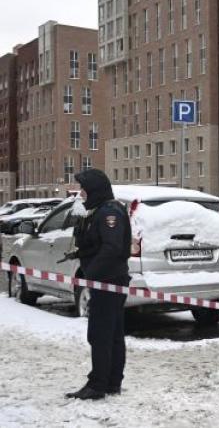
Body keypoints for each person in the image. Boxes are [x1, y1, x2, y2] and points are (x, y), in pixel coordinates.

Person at [65, 169, 132, 400]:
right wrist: (81, 253)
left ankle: (97, 385)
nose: (81, 193)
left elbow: (112, 248)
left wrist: (91, 272)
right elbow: (101, 244)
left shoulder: (109, 212)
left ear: (94, 189)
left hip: (108, 281)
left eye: (84, 188)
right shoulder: (102, 211)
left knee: (100, 334)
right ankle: (112, 382)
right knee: (112, 333)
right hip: (110, 280)